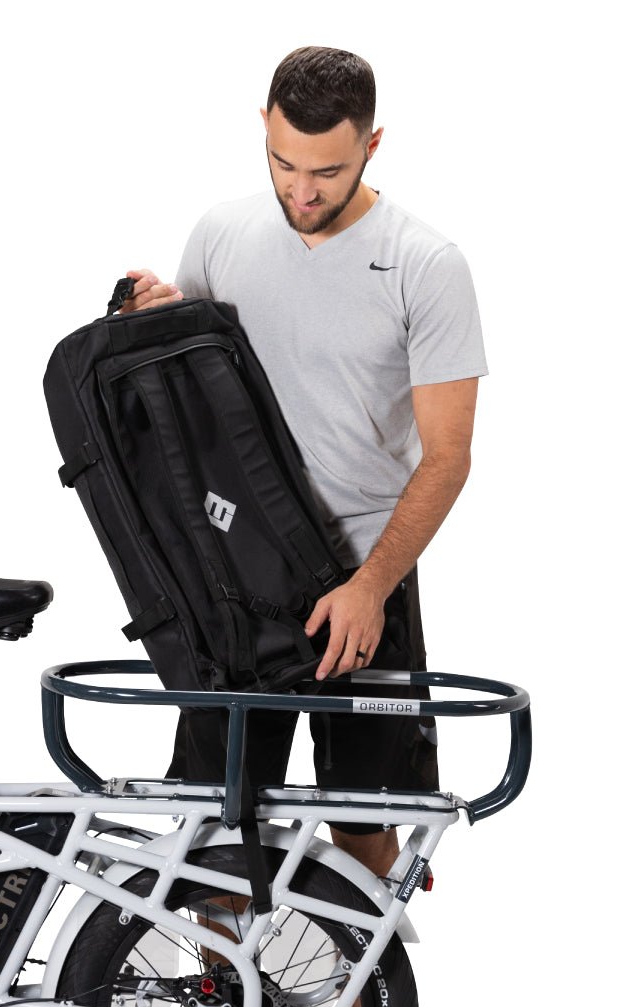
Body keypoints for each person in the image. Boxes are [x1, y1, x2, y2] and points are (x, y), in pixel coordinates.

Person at [120, 46, 486, 884]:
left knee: (366, 820)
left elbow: (449, 457)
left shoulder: (427, 265)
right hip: (237, 571)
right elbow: (193, 393)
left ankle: (357, 972)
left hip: (361, 570)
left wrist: (372, 586)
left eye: (328, 170)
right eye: (284, 163)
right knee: (215, 825)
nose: (304, 191)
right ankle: (218, 972)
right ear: (263, 128)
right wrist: (153, 317)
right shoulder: (222, 232)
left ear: (372, 145)